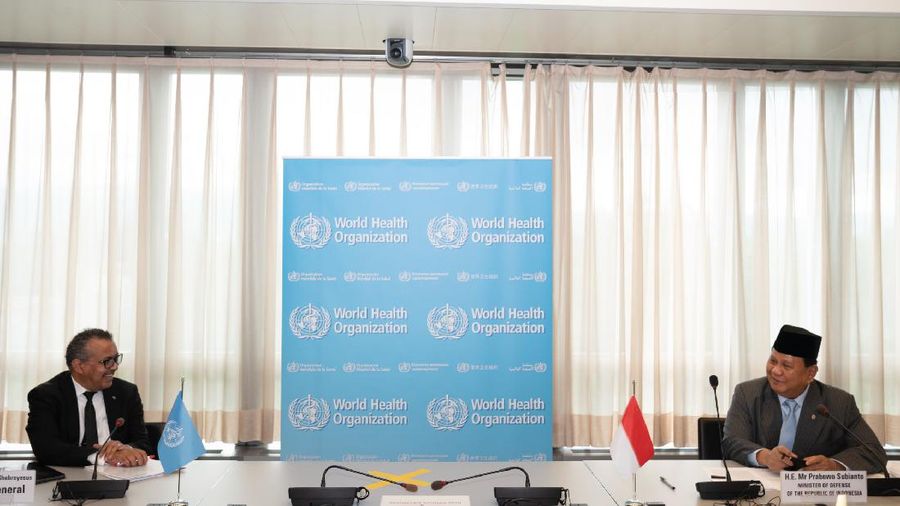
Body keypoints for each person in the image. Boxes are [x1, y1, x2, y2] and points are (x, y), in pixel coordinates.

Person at [722, 324, 887, 473]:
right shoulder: (747, 393)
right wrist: (765, 457)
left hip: (814, 492)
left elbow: (873, 452)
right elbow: (732, 441)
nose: (775, 371)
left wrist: (834, 465)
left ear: (810, 373)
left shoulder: (839, 402)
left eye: (786, 366)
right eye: (773, 361)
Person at [26, 328, 151, 467]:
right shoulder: (46, 395)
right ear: (79, 366)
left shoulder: (126, 392)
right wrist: (101, 456)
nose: (115, 366)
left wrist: (127, 449)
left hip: (121, 472)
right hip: (70, 473)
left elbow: (143, 442)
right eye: (107, 361)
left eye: (116, 359)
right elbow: (46, 449)